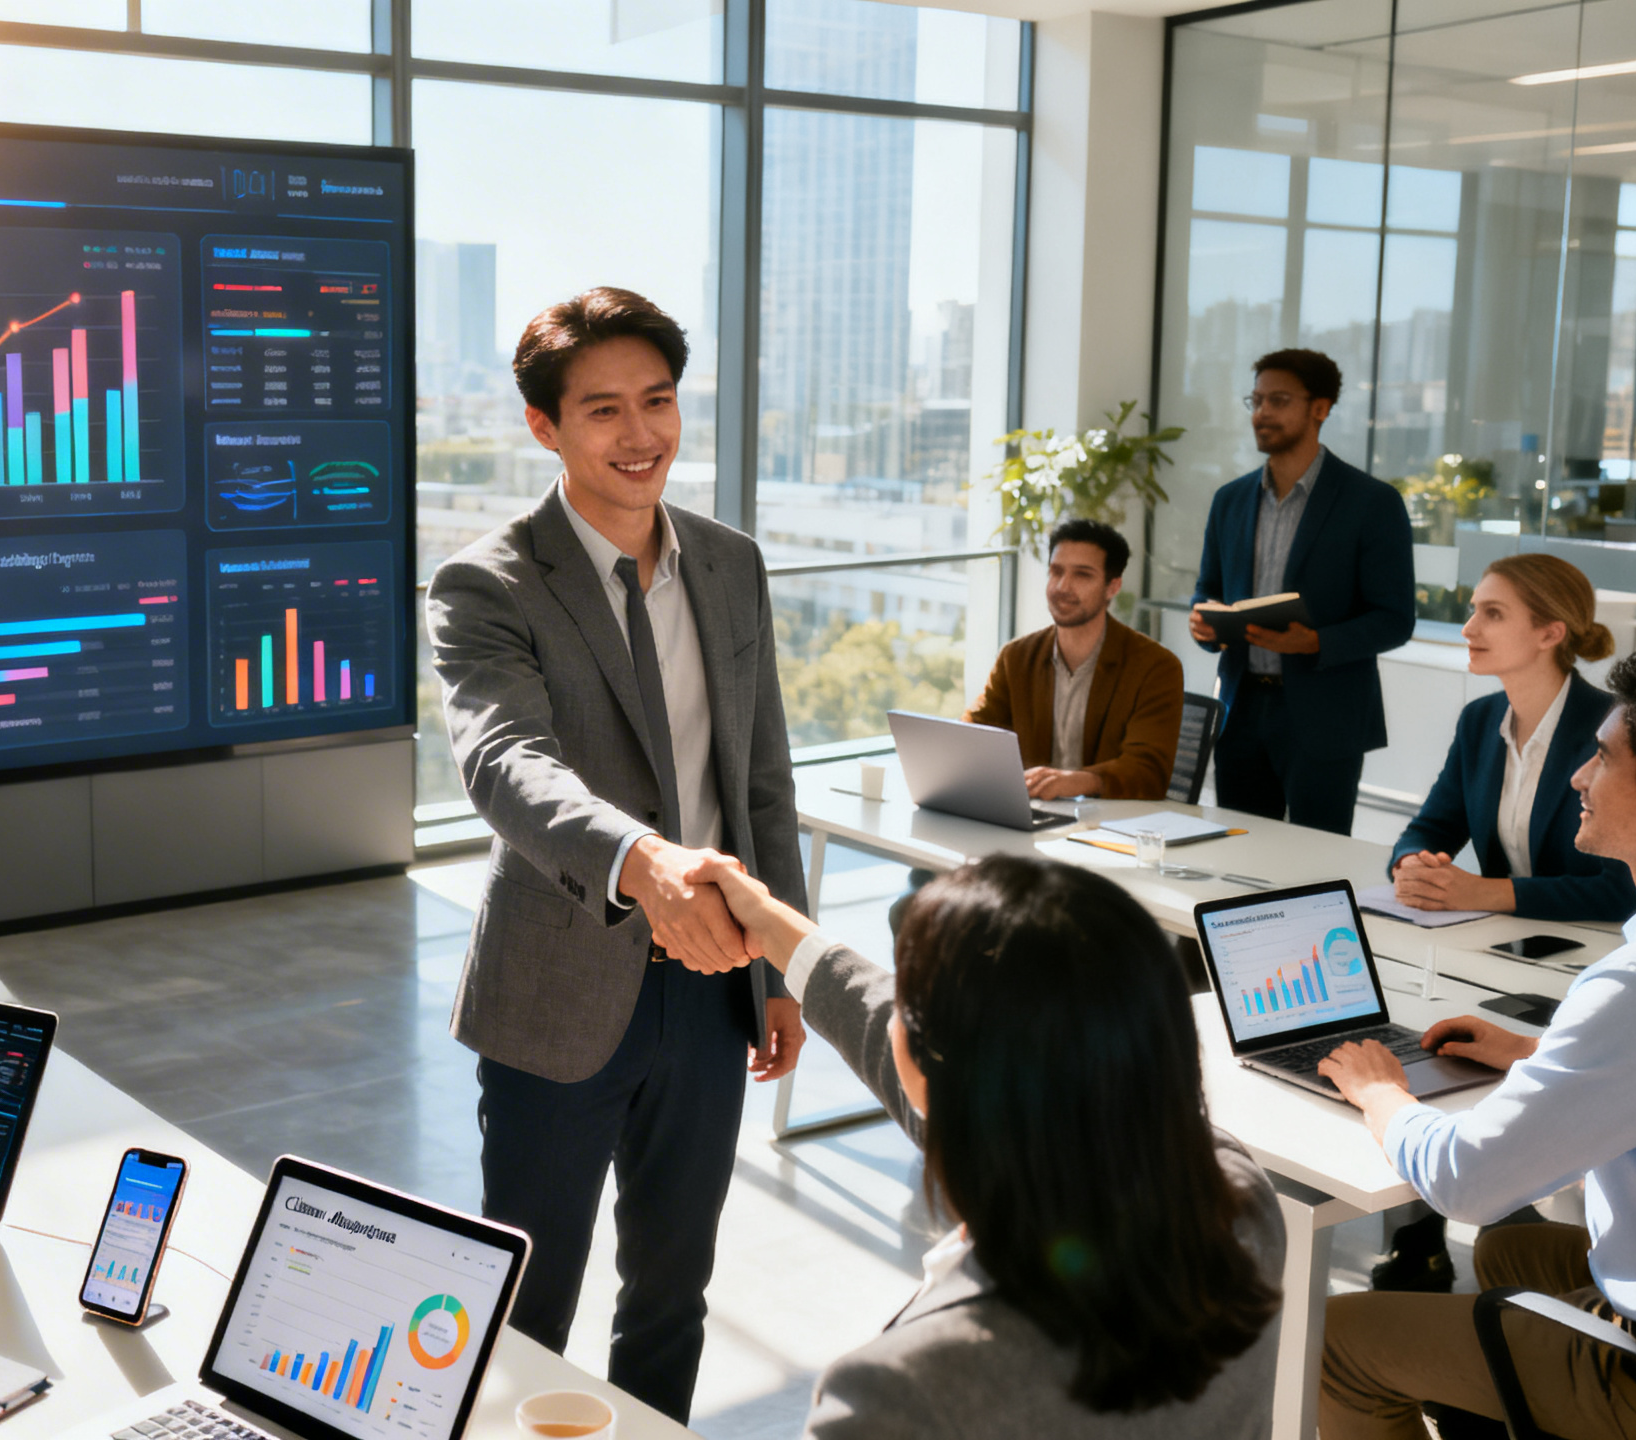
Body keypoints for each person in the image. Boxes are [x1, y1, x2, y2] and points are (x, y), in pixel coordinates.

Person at [426, 287, 809, 1421]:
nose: (641, 434)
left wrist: (779, 969)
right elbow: (506, 763)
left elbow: (762, 783)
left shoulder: (730, 565)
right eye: (603, 410)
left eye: (658, 400)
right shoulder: (488, 581)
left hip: (713, 985)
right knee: (528, 1305)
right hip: (559, 984)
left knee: (672, 1294)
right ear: (544, 426)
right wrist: (642, 862)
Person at [1316, 649, 1636, 1440]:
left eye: (1603, 758)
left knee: (1338, 1343)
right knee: (1509, 1257)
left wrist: (1381, 1092)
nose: (1578, 775)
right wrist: (1533, 1054)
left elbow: (1467, 1183)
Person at [692, 852, 1281, 1437]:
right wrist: (768, 920)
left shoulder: (900, 1392)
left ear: (940, 1066)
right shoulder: (1242, 1202)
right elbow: (902, 1039)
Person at [1190, 349, 1414, 834]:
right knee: (1241, 853)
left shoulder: (1372, 503)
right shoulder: (1230, 500)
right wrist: (1203, 621)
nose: (1262, 413)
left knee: (1319, 857)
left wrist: (1314, 642)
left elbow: (1395, 619)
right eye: (1256, 400)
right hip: (1241, 710)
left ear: (1320, 408)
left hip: (1325, 715)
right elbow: (1207, 588)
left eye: (1278, 400)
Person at [1390, 553, 1636, 923]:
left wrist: (1485, 892)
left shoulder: (1616, 729)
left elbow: (1624, 890)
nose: (1468, 629)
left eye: (1493, 613)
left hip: (1595, 942)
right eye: (1474, 610)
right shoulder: (1479, 720)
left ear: (1550, 633)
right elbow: (1432, 828)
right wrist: (1413, 865)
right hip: (1502, 936)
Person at [965, 518, 1183, 800]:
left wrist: (1082, 781)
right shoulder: (1016, 658)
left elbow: (1148, 771)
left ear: (1112, 587)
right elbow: (975, 734)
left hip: (1111, 819)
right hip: (1034, 811)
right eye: (1056, 572)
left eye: (1082, 575)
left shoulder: (1155, 666)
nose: (1062, 586)